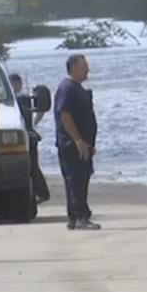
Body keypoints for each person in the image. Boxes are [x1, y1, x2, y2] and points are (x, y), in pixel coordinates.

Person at [55, 54, 99, 230]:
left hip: (83, 145)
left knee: (81, 179)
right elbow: (65, 115)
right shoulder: (67, 88)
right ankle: (81, 217)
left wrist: (90, 143)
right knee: (76, 180)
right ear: (73, 68)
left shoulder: (78, 88)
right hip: (71, 145)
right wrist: (78, 141)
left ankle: (74, 217)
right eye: (84, 66)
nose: (87, 70)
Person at [9, 73, 50, 203]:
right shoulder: (12, 100)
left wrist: (34, 124)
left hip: (27, 135)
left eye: (17, 83)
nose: (16, 86)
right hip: (17, 136)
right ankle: (39, 193)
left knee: (32, 166)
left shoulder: (21, 99)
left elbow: (41, 109)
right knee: (31, 167)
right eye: (14, 83)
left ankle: (41, 193)